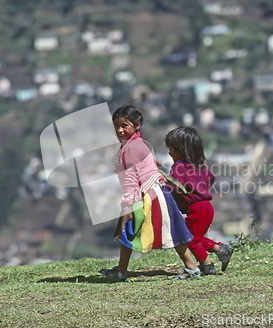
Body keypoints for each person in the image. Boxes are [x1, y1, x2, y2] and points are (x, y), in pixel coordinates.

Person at [99, 105, 200, 282]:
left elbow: (131, 178)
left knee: (128, 231)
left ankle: (122, 271)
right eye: (116, 126)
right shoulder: (138, 143)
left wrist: (127, 205)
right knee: (171, 229)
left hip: (149, 196)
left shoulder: (130, 148)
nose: (120, 130)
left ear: (137, 125)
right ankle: (191, 267)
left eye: (125, 126)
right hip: (156, 192)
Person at [164, 126, 234, 275]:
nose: (169, 153)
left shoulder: (179, 167)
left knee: (189, 239)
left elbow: (172, 185)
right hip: (207, 206)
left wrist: (162, 183)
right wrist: (200, 188)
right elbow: (211, 178)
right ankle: (220, 249)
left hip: (196, 209)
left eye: (171, 149)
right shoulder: (199, 166)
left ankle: (207, 266)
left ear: (180, 149)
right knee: (197, 238)